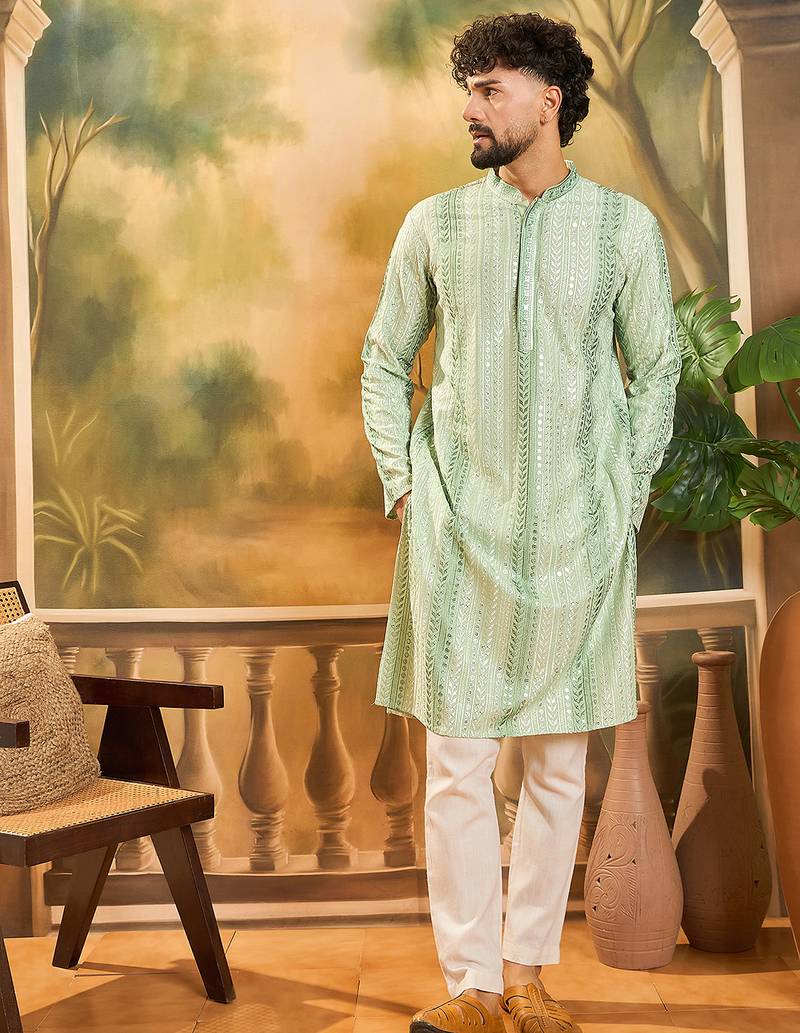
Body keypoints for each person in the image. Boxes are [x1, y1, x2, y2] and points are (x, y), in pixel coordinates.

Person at [360, 12, 682, 1033]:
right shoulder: (435, 225)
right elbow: (384, 358)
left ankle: (529, 975)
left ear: (548, 100)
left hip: (577, 535)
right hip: (457, 528)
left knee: (554, 762)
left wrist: (623, 491)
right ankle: (472, 985)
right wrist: (403, 482)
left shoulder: (623, 230)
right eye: (468, 89)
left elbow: (657, 367)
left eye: (488, 88)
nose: (470, 107)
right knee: (457, 766)